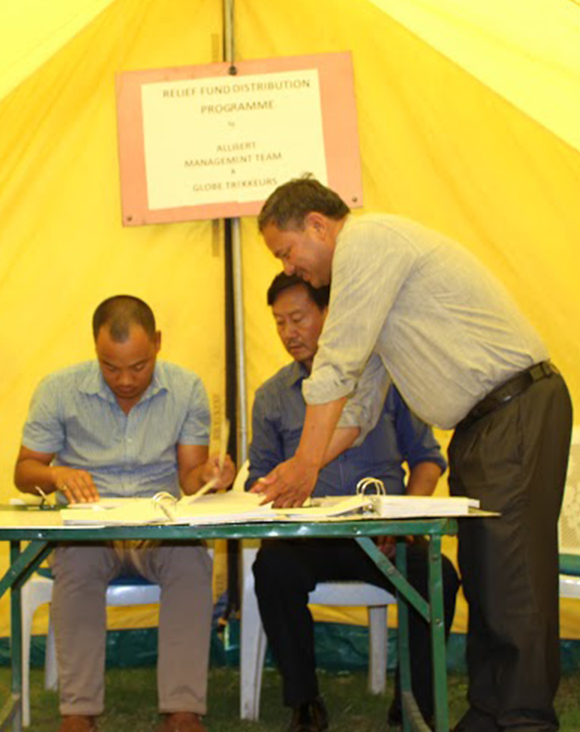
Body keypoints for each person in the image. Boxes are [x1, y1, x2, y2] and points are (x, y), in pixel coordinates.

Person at [253, 178, 573, 732]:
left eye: (286, 251)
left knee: (513, 583)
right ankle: (491, 712)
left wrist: (305, 463)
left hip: (513, 411)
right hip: (483, 426)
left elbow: (336, 366)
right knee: (486, 579)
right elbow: (359, 408)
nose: (289, 268)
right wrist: (301, 466)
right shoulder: (368, 277)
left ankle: (524, 720)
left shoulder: (367, 243)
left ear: (318, 225)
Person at [248, 272, 459, 731]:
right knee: (272, 568)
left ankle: (413, 702)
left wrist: (403, 520)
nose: (289, 332)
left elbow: (427, 460)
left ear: (329, 314)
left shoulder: (383, 379)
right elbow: (257, 480)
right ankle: (304, 702)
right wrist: (257, 489)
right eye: (279, 323)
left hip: (384, 536)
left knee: (437, 575)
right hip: (308, 537)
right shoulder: (272, 397)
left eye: (298, 318)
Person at [14, 295, 235, 732]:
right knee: (76, 563)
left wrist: (213, 475)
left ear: (157, 342)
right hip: (91, 527)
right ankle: (78, 712)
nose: (126, 380)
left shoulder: (186, 389)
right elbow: (24, 471)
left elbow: (190, 477)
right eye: (110, 367)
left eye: (139, 365)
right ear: (95, 349)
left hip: (160, 528)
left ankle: (183, 710)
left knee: (191, 561)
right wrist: (57, 475)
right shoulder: (58, 390)